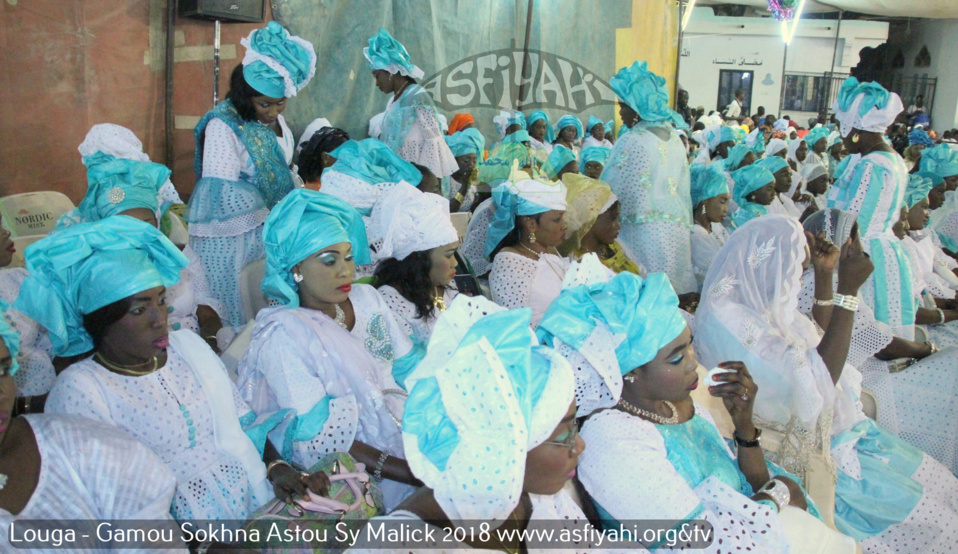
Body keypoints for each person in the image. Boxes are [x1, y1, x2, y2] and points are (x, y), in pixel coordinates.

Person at [25, 218, 321, 523]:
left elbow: (242, 423)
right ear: (101, 321)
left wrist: (277, 467)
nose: (160, 319)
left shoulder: (188, 347)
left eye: (161, 300)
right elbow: (112, 510)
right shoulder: (81, 391)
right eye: (140, 310)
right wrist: (205, 544)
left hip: (254, 499)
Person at [538, 269, 854, 552]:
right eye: (676, 358)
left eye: (689, 345)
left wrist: (744, 428)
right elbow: (701, 542)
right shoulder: (612, 436)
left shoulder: (679, 409)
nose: (693, 363)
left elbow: (749, 488)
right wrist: (779, 494)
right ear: (629, 371)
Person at [698, 214, 958, 551]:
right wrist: (847, 291)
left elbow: (819, 338)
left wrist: (825, 276)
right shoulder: (735, 323)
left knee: (945, 493)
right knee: (938, 526)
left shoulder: (757, 304)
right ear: (773, 262)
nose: (797, 278)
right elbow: (817, 382)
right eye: (797, 268)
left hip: (847, 435)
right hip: (818, 459)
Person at [357, 295, 591, 552]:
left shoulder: (529, 494)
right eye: (565, 435)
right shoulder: (402, 545)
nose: (580, 446)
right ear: (501, 443)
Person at [238, 190, 419, 511]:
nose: (346, 271)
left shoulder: (368, 299)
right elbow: (322, 439)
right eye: (329, 260)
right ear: (296, 268)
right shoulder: (285, 336)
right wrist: (416, 474)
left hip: (410, 430)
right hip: (360, 472)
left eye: (348, 257)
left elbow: (411, 367)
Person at [0, 299, 186, 550]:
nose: (2, 394)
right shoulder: (80, 387)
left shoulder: (84, 447)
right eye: (139, 309)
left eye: (2, 370)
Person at [801, 209, 958, 474]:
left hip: (857, 372)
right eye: (857, 239)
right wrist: (928, 349)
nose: (862, 247)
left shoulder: (823, 278)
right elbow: (883, 347)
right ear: (844, 243)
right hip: (862, 379)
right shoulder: (831, 281)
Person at [188, 22, 316, 327]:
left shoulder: (276, 122)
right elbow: (221, 196)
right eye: (264, 104)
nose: (272, 112)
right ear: (245, 96)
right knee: (245, 314)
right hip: (235, 240)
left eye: (280, 103)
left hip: (274, 231)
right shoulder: (223, 126)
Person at [67, 134, 226, 349]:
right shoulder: (99, 272)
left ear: (157, 222)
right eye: (125, 228)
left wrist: (210, 342)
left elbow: (205, 304)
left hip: (194, 346)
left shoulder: (179, 254)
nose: (139, 236)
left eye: (147, 224)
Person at [827, 77, 915, 336]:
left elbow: (853, 222)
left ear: (856, 129)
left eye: (841, 128)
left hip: (863, 253)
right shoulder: (891, 159)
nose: (841, 136)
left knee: (861, 331)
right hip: (884, 250)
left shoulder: (872, 165)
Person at [602, 61, 696, 294]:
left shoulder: (633, 139)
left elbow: (609, 190)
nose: (621, 113)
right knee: (671, 296)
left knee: (646, 295)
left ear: (637, 107)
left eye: (623, 106)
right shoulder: (675, 139)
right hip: (676, 233)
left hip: (642, 233)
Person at [371, 183, 460, 345]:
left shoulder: (442, 284)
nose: (455, 263)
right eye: (449, 255)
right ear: (420, 259)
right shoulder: (391, 301)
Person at [365, 28, 457, 179]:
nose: (377, 83)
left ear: (389, 71)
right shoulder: (394, 100)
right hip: (400, 176)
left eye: (377, 76)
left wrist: (426, 183)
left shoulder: (417, 96)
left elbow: (434, 142)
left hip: (418, 178)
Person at [487, 175, 569, 328]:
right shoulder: (509, 262)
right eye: (557, 220)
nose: (564, 225)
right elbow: (514, 325)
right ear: (531, 225)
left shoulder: (549, 250)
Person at [560, 173, 646, 277]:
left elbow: (642, 272)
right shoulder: (580, 263)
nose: (618, 225)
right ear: (591, 220)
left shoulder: (616, 246)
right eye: (612, 219)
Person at [690, 163, 731, 291]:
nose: (726, 209)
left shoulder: (716, 226)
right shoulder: (696, 233)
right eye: (722, 201)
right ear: (705, 200)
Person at [442, 127, 484, 211]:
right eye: (466, 160)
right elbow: (448, 211)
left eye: (474, 161)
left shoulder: (474, 180)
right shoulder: (446, 181)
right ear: (455, 160)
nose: (471, 165)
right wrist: (464, 187)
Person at [297, 125, 351, 189]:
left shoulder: (340, 180)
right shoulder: (315, 187)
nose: (346, 159)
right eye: (341, 154)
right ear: (325, 157)